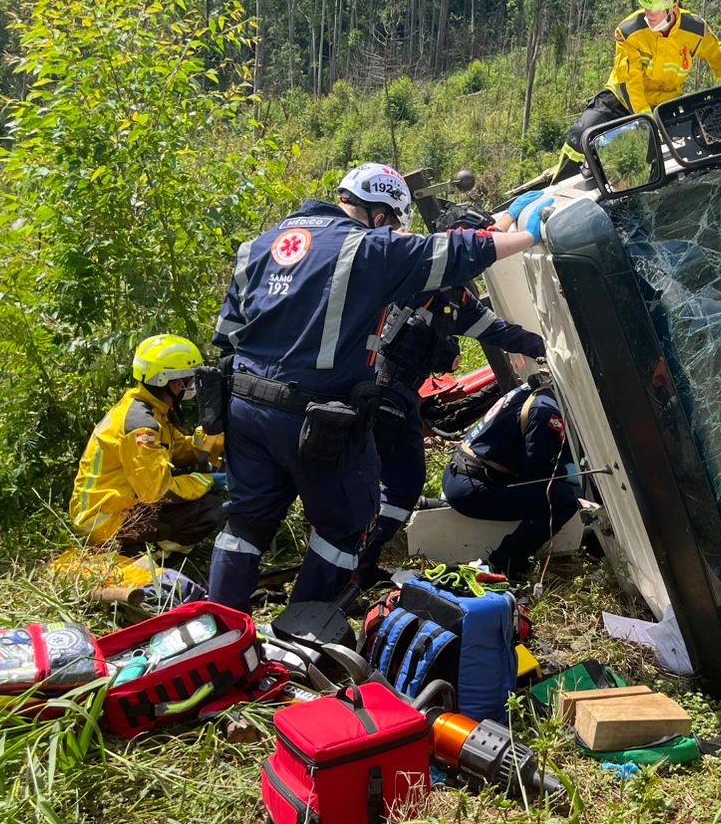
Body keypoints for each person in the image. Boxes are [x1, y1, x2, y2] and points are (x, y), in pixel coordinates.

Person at [207, 163, 554, 609]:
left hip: (243, 407)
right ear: (380, 215)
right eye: (392, 224)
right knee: (342, 527)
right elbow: (459, 251)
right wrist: (531, 236)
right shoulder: (367, 248)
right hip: (313, 417)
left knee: (245, 526)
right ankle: (302, 631)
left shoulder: (258, 246)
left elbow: (227, 334)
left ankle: (218, 629)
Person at [357, 280, 547, 589]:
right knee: (357, 481)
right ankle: (343, 567)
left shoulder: (459, 302)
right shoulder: (404, 274)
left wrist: (546, 347)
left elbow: (501, 333)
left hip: (403, 399)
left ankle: (363, 560)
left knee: (405, 484)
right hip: (368, 392)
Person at [551, 0, 721, 181]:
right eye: (645, 7)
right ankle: (556, 190)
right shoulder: (629, 32)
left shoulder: (695, 30)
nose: (649, 15)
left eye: (655, 8)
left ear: (674, 4)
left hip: (665, 107)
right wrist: (647, 119)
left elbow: (719, 57)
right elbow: (632, 83)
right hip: (622, 101)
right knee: (582, 135)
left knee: (656, 166)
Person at [71, 334, 228, 557]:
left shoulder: (152, 410)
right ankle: (145, 561)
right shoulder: (140, 426)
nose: (193, 387)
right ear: (174, 383)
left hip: (114, 508)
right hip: (106, 521)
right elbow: (157, 492)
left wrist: (212, 436)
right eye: (189, 380)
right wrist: (208, 481)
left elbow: (181, 451)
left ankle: (144, 551)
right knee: (208, 510)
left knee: (198, 499)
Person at [442, 375, 579, 577]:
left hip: (461, 473)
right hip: (473, 486)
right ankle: (506, 563)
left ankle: (430, 505)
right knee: (561, 499)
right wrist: (569, 473)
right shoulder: (547, 412)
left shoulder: (533, 391)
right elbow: (537, 474)